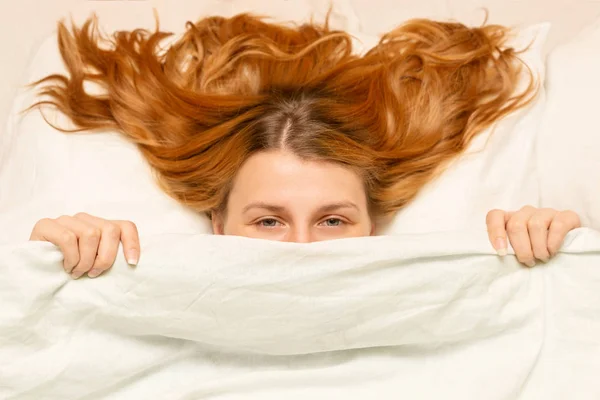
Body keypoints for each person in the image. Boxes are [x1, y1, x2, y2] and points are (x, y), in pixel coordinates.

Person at [27, 13, 581, 279]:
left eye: (333, 221)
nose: (301, 247)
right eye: (267, 221)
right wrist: (48, 257)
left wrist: (546, 245)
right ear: (217, 224)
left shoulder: (433, 277)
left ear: (372, 226)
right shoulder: (152, 271)